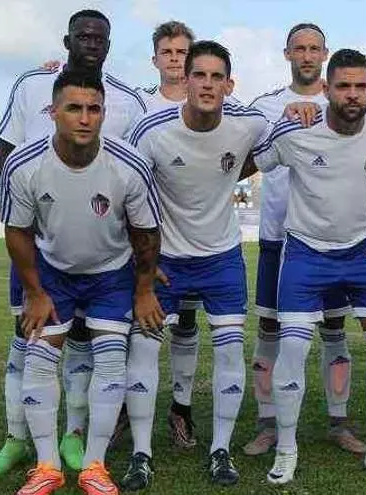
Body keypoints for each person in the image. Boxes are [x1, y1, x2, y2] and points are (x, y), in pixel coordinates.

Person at [0, 9, 147, 477]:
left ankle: (73, 437)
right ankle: (17, 439)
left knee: (81, 343)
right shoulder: (33, 84)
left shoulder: (129, 100)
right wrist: (27, 216)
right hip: (40, 242)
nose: (91, 43)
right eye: (83, 36)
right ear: (67, 40)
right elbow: (6, 155)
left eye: (100, 38)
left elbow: (137, 173)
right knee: (27, 338)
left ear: (109, 45)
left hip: (98, 247)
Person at [0, 69, 162, 495]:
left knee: (110, 361)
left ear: (104, 113)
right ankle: (46, 467)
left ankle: (95, 466)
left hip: (110, 274)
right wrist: (35, 292)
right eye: (74, 108)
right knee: (39, 358)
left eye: (94, 109)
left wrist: (144, 290)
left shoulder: (129, 165)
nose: (85, 118)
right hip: (53, 272)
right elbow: (17, 231)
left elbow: (147, 234)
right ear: (52, 112)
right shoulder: (25, 164)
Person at [252, 48, 366, 484]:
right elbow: (252, 160)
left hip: (364, 253)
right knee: (293, 350)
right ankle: (286, 449)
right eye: (343, 86)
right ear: (326, 89)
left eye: (361, 86)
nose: (352, 94)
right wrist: (281, 119)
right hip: (306, 254)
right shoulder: (296, 131)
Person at [121, 40, 269, 489]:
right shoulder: (151, 131)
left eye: (216, 77)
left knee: (229, 352)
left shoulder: (249, 124)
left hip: (221, 258)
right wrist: (143, 264)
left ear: (229, 85)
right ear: (184, 81)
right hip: (165, 260)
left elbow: (279, 140)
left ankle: (220, 450)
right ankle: (141, 453)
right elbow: (128, 193)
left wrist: (301, 112)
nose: (207, 84)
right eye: (198, 75)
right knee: (145, 350)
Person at [244, 22, 366, 457]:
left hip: (331, 239)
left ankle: (339, 422)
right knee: (270, 328)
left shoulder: (344, 103)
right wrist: (282, 122)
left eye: (315, 49)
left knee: (334, 327)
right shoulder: (265, 107)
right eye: (300, 48)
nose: (308, 56)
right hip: (278, 235)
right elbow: (247, 159)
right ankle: (267, 423)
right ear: (287, 54)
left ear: (325, 54)